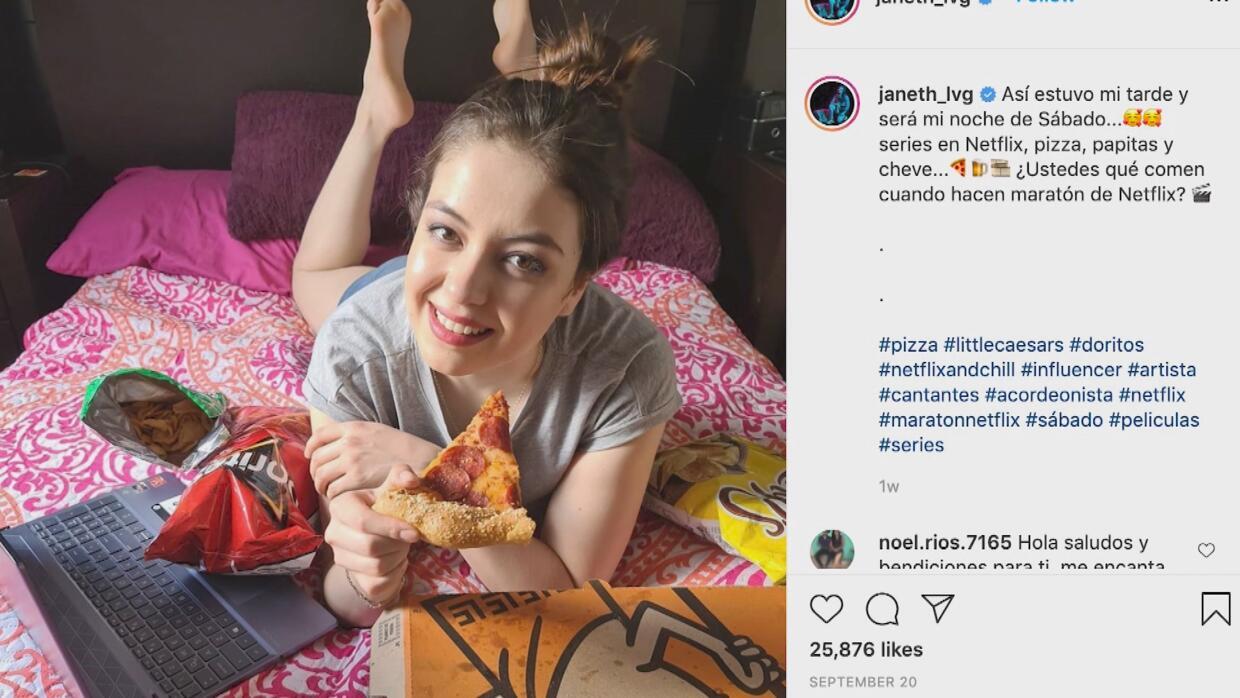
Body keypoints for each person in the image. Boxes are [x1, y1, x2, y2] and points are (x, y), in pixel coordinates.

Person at [291, 0, 679, 628]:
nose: (464, 290)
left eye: (524, 261)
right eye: (444, 230)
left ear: (576, 289)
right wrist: (366, 573)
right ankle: (374, 116)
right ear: (418, 221)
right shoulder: (357, 353)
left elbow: (568, 594)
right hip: (390, 290)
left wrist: (435, 471)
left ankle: (522, 71)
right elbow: (350, 593)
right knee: (310, 277)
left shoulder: (625, 368)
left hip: (436, 298)